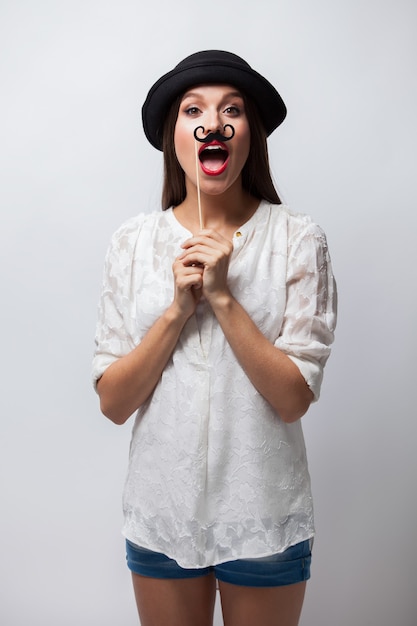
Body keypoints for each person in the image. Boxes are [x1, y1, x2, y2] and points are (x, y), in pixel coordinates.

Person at [92, 50, 337, 626]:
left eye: (232, 110)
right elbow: (112, 402)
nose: (214, 122)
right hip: (161, 515)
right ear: (173, 136)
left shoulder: (299, 241)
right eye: (193, 110)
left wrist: (224, 298)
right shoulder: (132, 245)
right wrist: (178, 309)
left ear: (250, 133)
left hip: (264, 515)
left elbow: (293, 397)